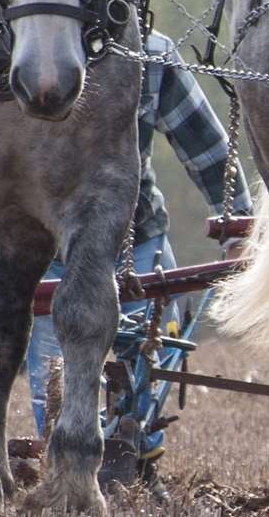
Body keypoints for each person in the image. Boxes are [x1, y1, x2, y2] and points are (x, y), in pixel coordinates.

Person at [23, 31, 253, 437]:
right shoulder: (13, 52)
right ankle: (60, 463)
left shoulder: (151, 53)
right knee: (52, 382)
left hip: (134, 237)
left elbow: (203, 141)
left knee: (144, 360)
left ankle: (137, 462)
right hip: (39, 244)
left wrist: (237, 222)